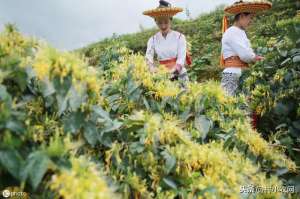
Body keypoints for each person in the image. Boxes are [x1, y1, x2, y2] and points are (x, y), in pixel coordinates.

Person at [220, 0, 272, 129]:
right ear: (242, 16)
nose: (251, 21)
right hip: (233, 73)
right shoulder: (232, 32)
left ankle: (245, 135)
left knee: (242, 105)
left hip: (240, 73)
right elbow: (245, 55)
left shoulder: (239, 32)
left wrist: (253, 57)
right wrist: (255, 58)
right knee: (230, 105)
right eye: (250, 17)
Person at [143, 0, 190, 85]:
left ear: (170, 20)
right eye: (160, 23)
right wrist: (151, 67)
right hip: (161, 75)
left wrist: (173, 72)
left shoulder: (180, 37)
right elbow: (149, 56)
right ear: (156, 22)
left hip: (179, 74)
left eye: (166, 22)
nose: (163, 26)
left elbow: (181, 59)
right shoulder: (152, 40)